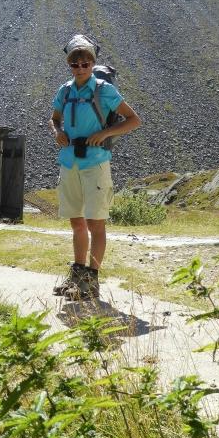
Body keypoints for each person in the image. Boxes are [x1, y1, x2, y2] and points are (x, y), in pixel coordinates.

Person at [50, 34, 142, 300]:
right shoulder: (64, 90)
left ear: (92, 63)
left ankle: (91, 282)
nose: (80, 68)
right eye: (75, 64)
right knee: (77, 222)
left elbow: (134, 120)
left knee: (95, 223)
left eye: (85, 63)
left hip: (96, 163)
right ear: (69, 65)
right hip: (69, 162)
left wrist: (105, 134)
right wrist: (57, 132)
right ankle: (77, 279)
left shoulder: (104, 90)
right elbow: (54, 118)